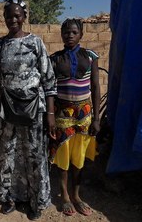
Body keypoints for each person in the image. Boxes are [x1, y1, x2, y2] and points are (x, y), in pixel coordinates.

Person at [0, 0, 57, 221]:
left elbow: (49, 80)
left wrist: (51, 115)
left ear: (24, 17)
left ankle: (36, 201)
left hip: (35, 109)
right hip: (7, 109)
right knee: (8, 153)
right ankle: (9, 198)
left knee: (34, 154)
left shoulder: (36, 42)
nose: (13, 20)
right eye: (9, 16)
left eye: (17, 16)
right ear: (4, 18)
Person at [48, 18, 100, 216]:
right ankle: (65, 196)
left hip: (84, 116)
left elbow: (95, 87)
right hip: (63, 116)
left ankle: (76, 195)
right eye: (66, 32)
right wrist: (50, 116)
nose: (70, 35)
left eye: (74, 32)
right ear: (61, 34)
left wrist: (95, 118)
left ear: (81, 34)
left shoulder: (91, 57)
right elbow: (50, 90)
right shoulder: (55, 59)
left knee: (79, 158)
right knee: (63, 158)